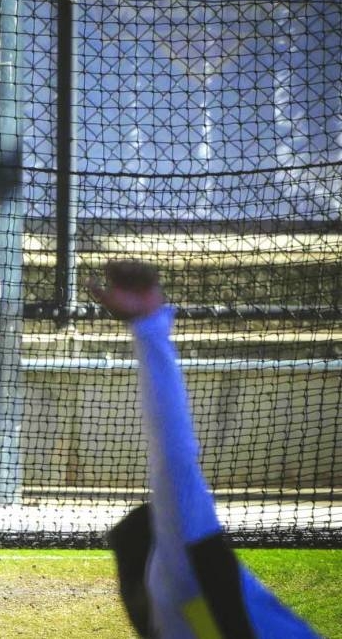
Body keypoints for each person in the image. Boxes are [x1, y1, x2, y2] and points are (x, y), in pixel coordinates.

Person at [88, 260, 318, 638]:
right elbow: (173, 465)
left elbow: (174, 464)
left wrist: (149, 328)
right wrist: (148, 326)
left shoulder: (181, 586)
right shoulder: (180, 597)